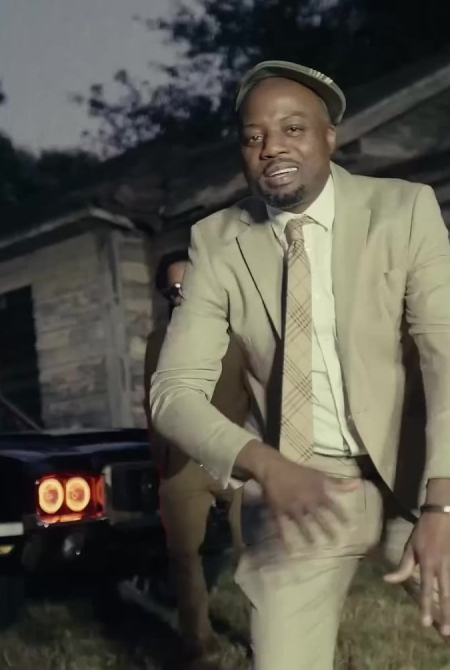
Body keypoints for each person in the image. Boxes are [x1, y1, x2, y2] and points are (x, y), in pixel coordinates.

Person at [149, 61, 450, 670]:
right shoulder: (217, 242)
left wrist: (445, 504)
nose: (271, 147)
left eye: (292, 129)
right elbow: (173, 393)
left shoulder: (403, 210)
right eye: (254, 136)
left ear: (329, 136)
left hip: (420, 475)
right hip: (299, 489)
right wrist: (266, 465)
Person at [144, 248, 251, 668]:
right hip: (182, 465)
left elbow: (258, 390)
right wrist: (163, 455)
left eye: (189, 284)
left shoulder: (237, 333)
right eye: (173, 289)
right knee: (184, 558)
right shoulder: (159, 341)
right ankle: (199, 645)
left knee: (255, 554)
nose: (182, 294)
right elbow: (153, 403)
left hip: (236, 456)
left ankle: (269, 638)